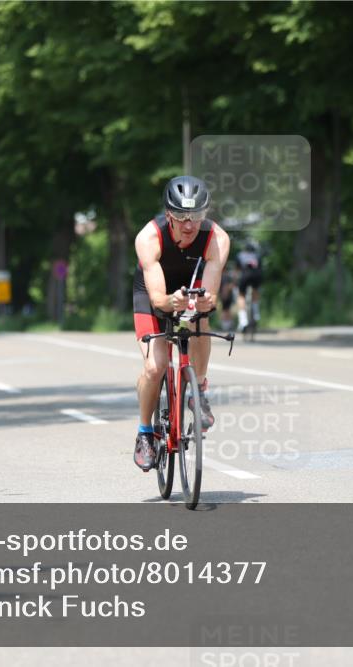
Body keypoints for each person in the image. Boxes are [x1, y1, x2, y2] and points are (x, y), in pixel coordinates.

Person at [132, 175, 231, 471]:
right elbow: (159, 299)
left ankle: (198, 389)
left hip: (191, 287)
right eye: (181, 217)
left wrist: (202, 303)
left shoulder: (217, 239)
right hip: (154, 294)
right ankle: (145, 433)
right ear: (168, 215)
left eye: (197, 216)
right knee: (155, 366)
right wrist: (170, 302)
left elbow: (210, 296)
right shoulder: (148, 238)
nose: (189, 225)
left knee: (200, 318)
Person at [235, 239, 263, 331]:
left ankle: (243, 321)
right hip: (256, 275)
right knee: (255, 291)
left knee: (241, 296)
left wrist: (235, 282)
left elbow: (237, 271)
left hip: (245, 275)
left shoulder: (240, 255)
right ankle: (255, 314)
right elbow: (260, 269)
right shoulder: (257, 255)